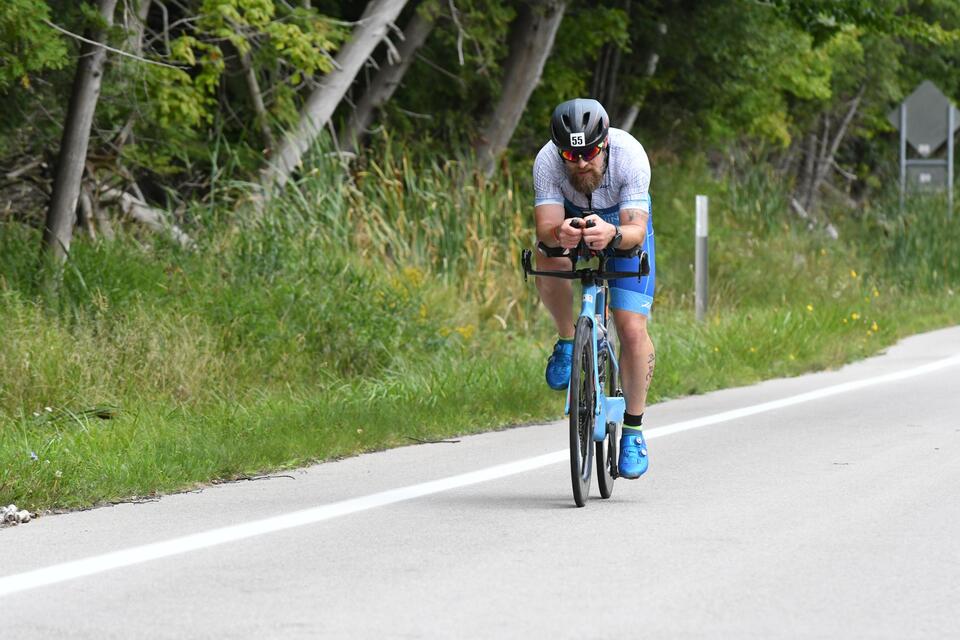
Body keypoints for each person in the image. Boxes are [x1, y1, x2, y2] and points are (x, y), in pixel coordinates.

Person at [532, 98, 656, 479]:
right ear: (559, 150)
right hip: (571, 220)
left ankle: (632, 430)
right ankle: (568, 340)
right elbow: (545, 228)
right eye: (572, 155)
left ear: (605, 143)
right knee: (548, 258)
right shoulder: (547, 161)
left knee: (631, 328)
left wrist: (613, 233)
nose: (582, 162)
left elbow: (636, 230)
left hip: (621, 225)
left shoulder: (630, 155)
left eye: (590, 152)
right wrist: (559, 233)